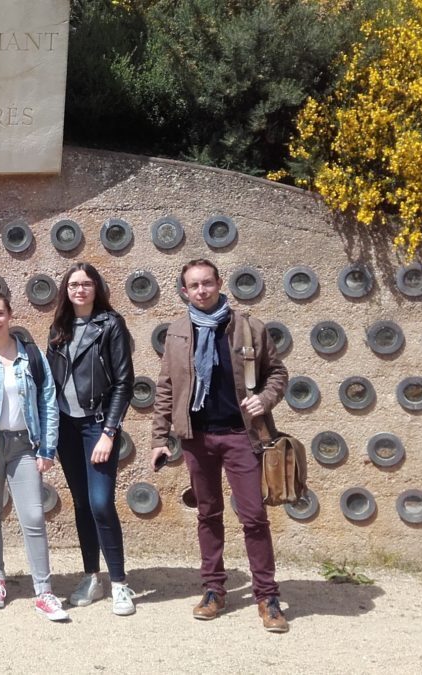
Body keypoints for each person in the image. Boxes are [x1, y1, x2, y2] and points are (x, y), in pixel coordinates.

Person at [150, 258, 290, 633]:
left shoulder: (247, 327)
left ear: (219, 283)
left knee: (254, 518)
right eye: (194, 286)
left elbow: (277, 372)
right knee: (208, 516)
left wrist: (266, 398)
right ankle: (214, 590)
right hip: (197, 438)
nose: (201, 290)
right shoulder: (178, 332)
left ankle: (267, 596)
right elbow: (166, 388)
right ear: (184, 291)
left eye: (207, 283)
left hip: (241, 435)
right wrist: (159, 438)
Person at [0, 290, 68, 622]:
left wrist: (47, 449)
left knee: (33, 517)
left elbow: (48, 401)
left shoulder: (31, 356)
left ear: (10, 315)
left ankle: (44, 591)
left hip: (24, 445)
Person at [47, 263, 136, 616]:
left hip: (97, 426)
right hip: (67, 429)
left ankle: (119, 583)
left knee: (101, 503)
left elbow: (123, 383)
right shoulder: (59, 327)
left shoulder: (111, 324)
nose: (80, 290)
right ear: (65, 290)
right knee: (82, 504)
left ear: (97, 288)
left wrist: (109, 432)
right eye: (73, 284)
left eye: (86, 284)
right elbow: (51, 383)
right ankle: (91, 577)